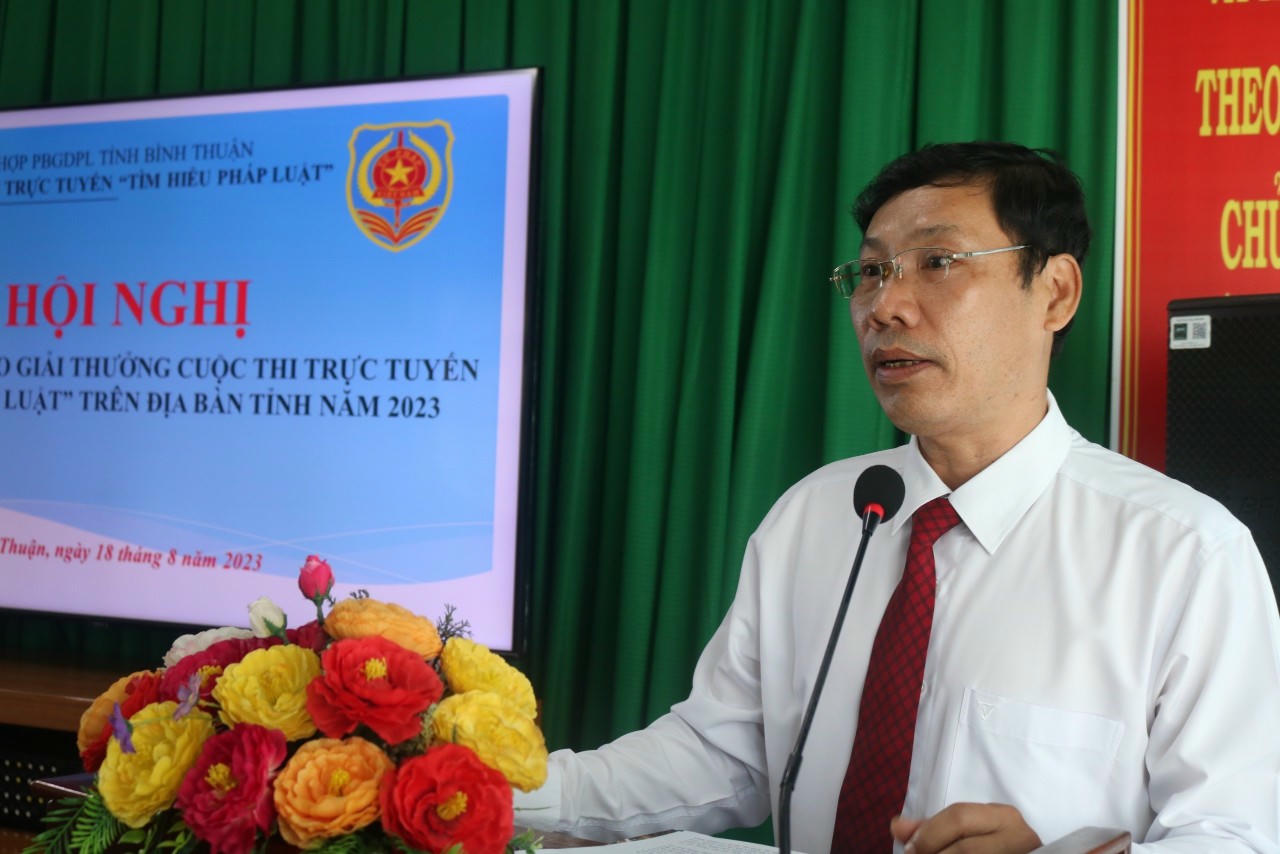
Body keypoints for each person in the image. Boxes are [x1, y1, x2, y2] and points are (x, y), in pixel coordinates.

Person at [515, 142, 1280, 853]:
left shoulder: (1183, 554)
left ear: (1054, 292)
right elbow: (720, 754)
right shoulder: (816, 517)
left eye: (938, 262)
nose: (885, 307)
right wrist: (490, 793)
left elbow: (1235, 835)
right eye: (871, 272)